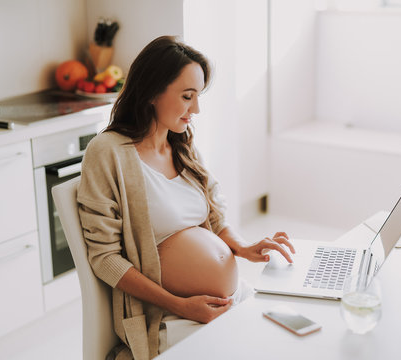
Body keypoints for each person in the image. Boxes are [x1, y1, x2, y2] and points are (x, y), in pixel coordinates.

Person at [77, 35, 295, 360]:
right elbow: (105, 258)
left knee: (287, 339)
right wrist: (180, 305)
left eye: (198, 96)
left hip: (223, 301)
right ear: (152, 92)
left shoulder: (182, 144)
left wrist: (243, 248)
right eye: (187, 96)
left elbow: (216, 217)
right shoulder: (108, 153)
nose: (196, 109)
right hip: (168, 316)